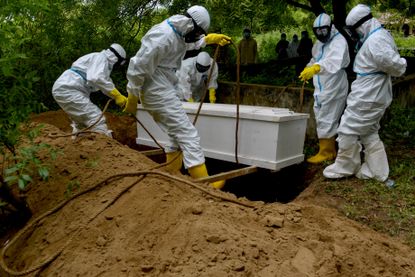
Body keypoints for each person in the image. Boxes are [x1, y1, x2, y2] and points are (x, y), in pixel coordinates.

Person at [125, 5, 231, 189]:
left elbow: (187, 43)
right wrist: (132, 94)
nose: (197, 37)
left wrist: (207, 39)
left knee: (175, 134)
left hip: (164, 86)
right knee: (187, 133)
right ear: (190, 24)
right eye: (198, 33)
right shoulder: (163, 36)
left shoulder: (178, 33)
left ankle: (172, 174)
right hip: (156, 89)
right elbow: (138, 65)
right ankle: (205, 183)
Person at [323, 4, 407, 182]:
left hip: (369, 94)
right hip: (371, 92)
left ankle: (346, 166)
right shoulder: (376, 36)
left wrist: (403, 62)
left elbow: (394, 65)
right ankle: (376, 171)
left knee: (347, 129)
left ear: (362, 24)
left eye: (354, 29)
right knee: (369, 132)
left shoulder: (376, 41)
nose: (355, 33)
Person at [299, 13, 350, 164]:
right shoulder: (320, 43)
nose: (321, 34)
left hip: (334, 84)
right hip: (321, 85)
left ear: (330, 27)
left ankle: (327, 152)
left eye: (323, 30)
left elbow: (334, 61)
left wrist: (316, 68)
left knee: (329, 116)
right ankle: (326, 149)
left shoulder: (339, 41)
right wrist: (308, 69)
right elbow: (316, 58)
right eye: (317, 31)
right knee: (321, 115)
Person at [52, 43, 127, 138]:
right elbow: (96, 78)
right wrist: (116, 95)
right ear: (116, 59)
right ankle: (104, 146)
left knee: (82, 124)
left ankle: (78, 146)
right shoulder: (100, 58)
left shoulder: (100, 61)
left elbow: (105, 82)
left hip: (67, 88)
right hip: (69, 88)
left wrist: (118, 95)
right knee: (96, 118)